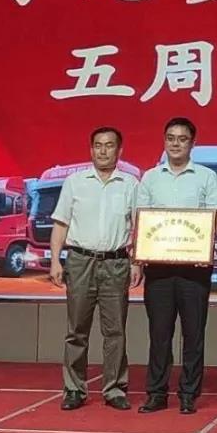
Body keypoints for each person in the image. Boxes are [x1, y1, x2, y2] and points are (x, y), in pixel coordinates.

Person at [136, 117, 217, 415]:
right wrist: (139, 257)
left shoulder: (206, 177)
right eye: (171, 138)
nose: (176, 144)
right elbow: (140, 220)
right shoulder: (150, 178)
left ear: (192, 143)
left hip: (194, 269)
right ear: (164, 141)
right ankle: (156, 393)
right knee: (159, 334)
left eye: (182, 139)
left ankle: (188, 393)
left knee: (193, 334)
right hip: (158, 268)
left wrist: (203, 243)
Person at [50, 126, 142, 412]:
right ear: (91, 150)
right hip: (80, 261)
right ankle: (74, 389)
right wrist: (55, 261)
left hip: (116, 262)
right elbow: (61, 223)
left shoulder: (130, 184)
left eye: (109, 145)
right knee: (76, 330)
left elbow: (139, 227)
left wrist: (137, 262)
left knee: (115, 331)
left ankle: (114, 389)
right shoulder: (75, 183)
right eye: (98, 145)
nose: (103, 151)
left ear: (119, 150)